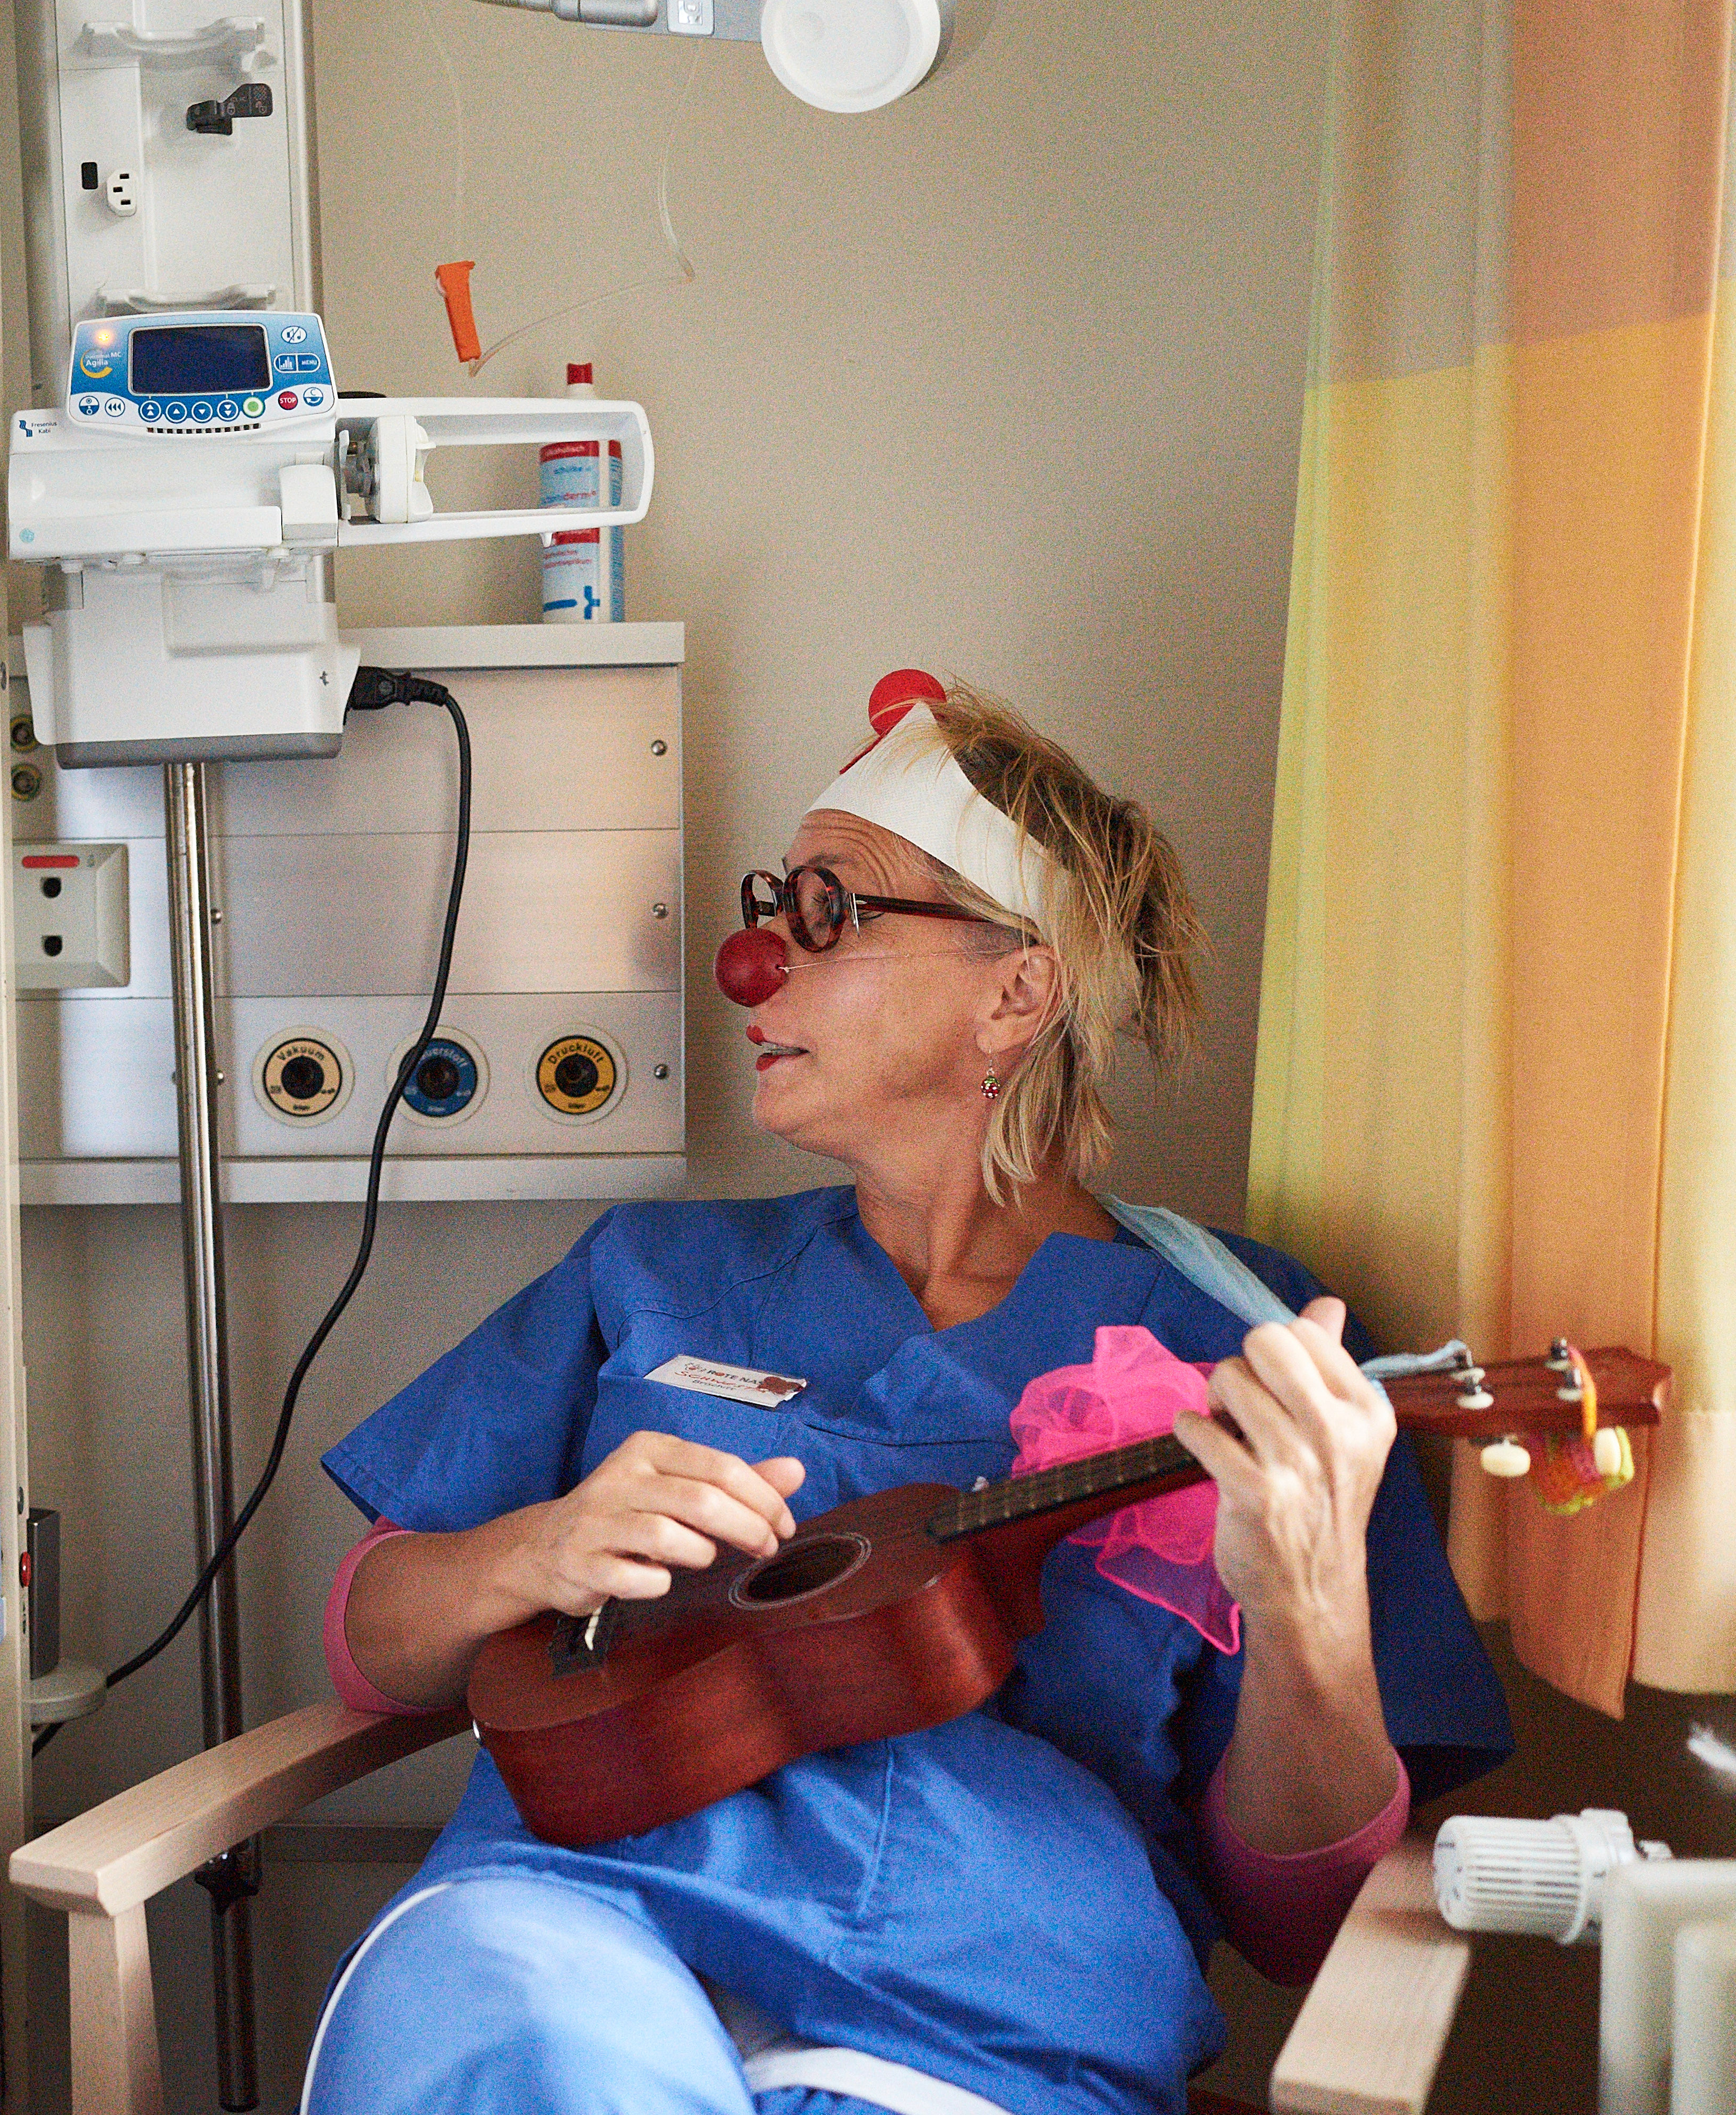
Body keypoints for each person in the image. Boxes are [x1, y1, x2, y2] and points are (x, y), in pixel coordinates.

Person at [301, 677, 1510, 2115]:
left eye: (833, 912)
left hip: (982, 2020)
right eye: (775, 905)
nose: (754, 963)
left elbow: (1301, 1924)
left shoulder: (1254, 1345)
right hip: (564, 1932)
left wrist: (1309, 1601)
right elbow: (375, 1642)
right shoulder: (656, 1268)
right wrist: (533, 1550)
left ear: (1019, 989)